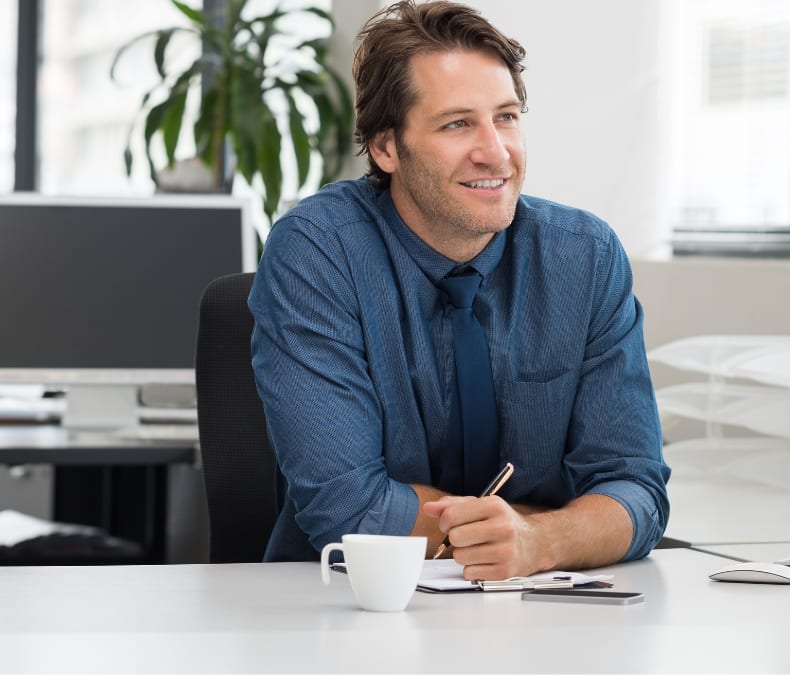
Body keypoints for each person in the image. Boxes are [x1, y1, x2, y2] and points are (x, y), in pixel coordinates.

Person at [247, 0, 670, 580]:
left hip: (541, 613)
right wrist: (556, 528)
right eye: (457, 123)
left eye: (507, 117)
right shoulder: (319, 251)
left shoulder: (584, 257)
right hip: (347, 607)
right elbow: (351, 511)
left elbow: (636, 491)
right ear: (386, 148)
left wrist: (537, 539)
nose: (495, 152)